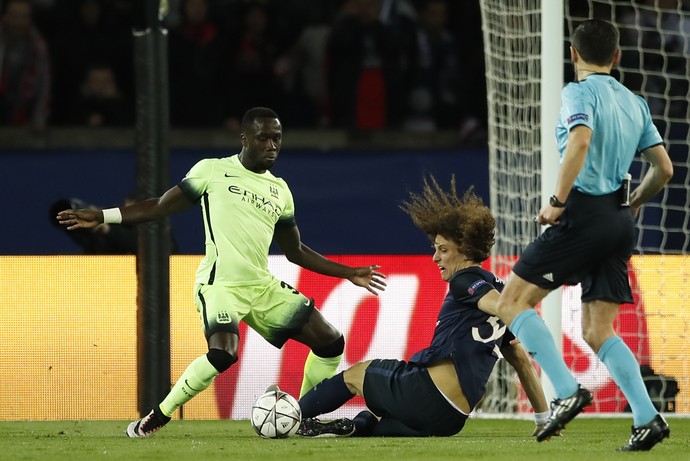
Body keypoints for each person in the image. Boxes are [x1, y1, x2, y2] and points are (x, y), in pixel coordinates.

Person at [57, 106, 387, 437]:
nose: (272, 146)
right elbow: (159, 205)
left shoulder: (280, 191)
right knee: (224, 353)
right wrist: (104, 215)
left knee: (330, 342)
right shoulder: (213, 171)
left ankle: (302, 418)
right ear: (245, 138)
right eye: (263, 138)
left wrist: (348, 272)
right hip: (220, 285)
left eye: (277, 138)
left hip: (261, 287)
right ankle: (157, 415)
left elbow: (295, 251)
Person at [493, 19, 674, 451]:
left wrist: (556, 202)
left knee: (510, 302)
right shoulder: (636, 103)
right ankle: (648, 418)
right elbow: (664, 168)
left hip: (584, 213)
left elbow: (579, 141)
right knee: (598, 330)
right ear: (617, 56)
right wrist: (632, 205)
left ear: (573, 55)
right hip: (618, 220)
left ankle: (565, 390)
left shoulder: (576, 92)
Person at [293, 176, 550, 437]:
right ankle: (353, 427)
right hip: (452, 420)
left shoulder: (465, 281)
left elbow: (498, 305)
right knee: (373, 420)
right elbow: (521, 361)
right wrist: (543, 418)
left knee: (355, 376)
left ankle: (289, 417)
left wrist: (522, 313)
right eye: (435, 248)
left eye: (443, 250)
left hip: (427, 393)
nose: (435, 257)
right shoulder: (498, 286)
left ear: (464, 249)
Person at [0, 0, 51, 130]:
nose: (19, 21)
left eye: (24, 16)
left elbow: (43, 84)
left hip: (21, 110)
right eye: (15, 15)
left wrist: (38, 118)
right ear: (6, 15)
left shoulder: (38, 46)